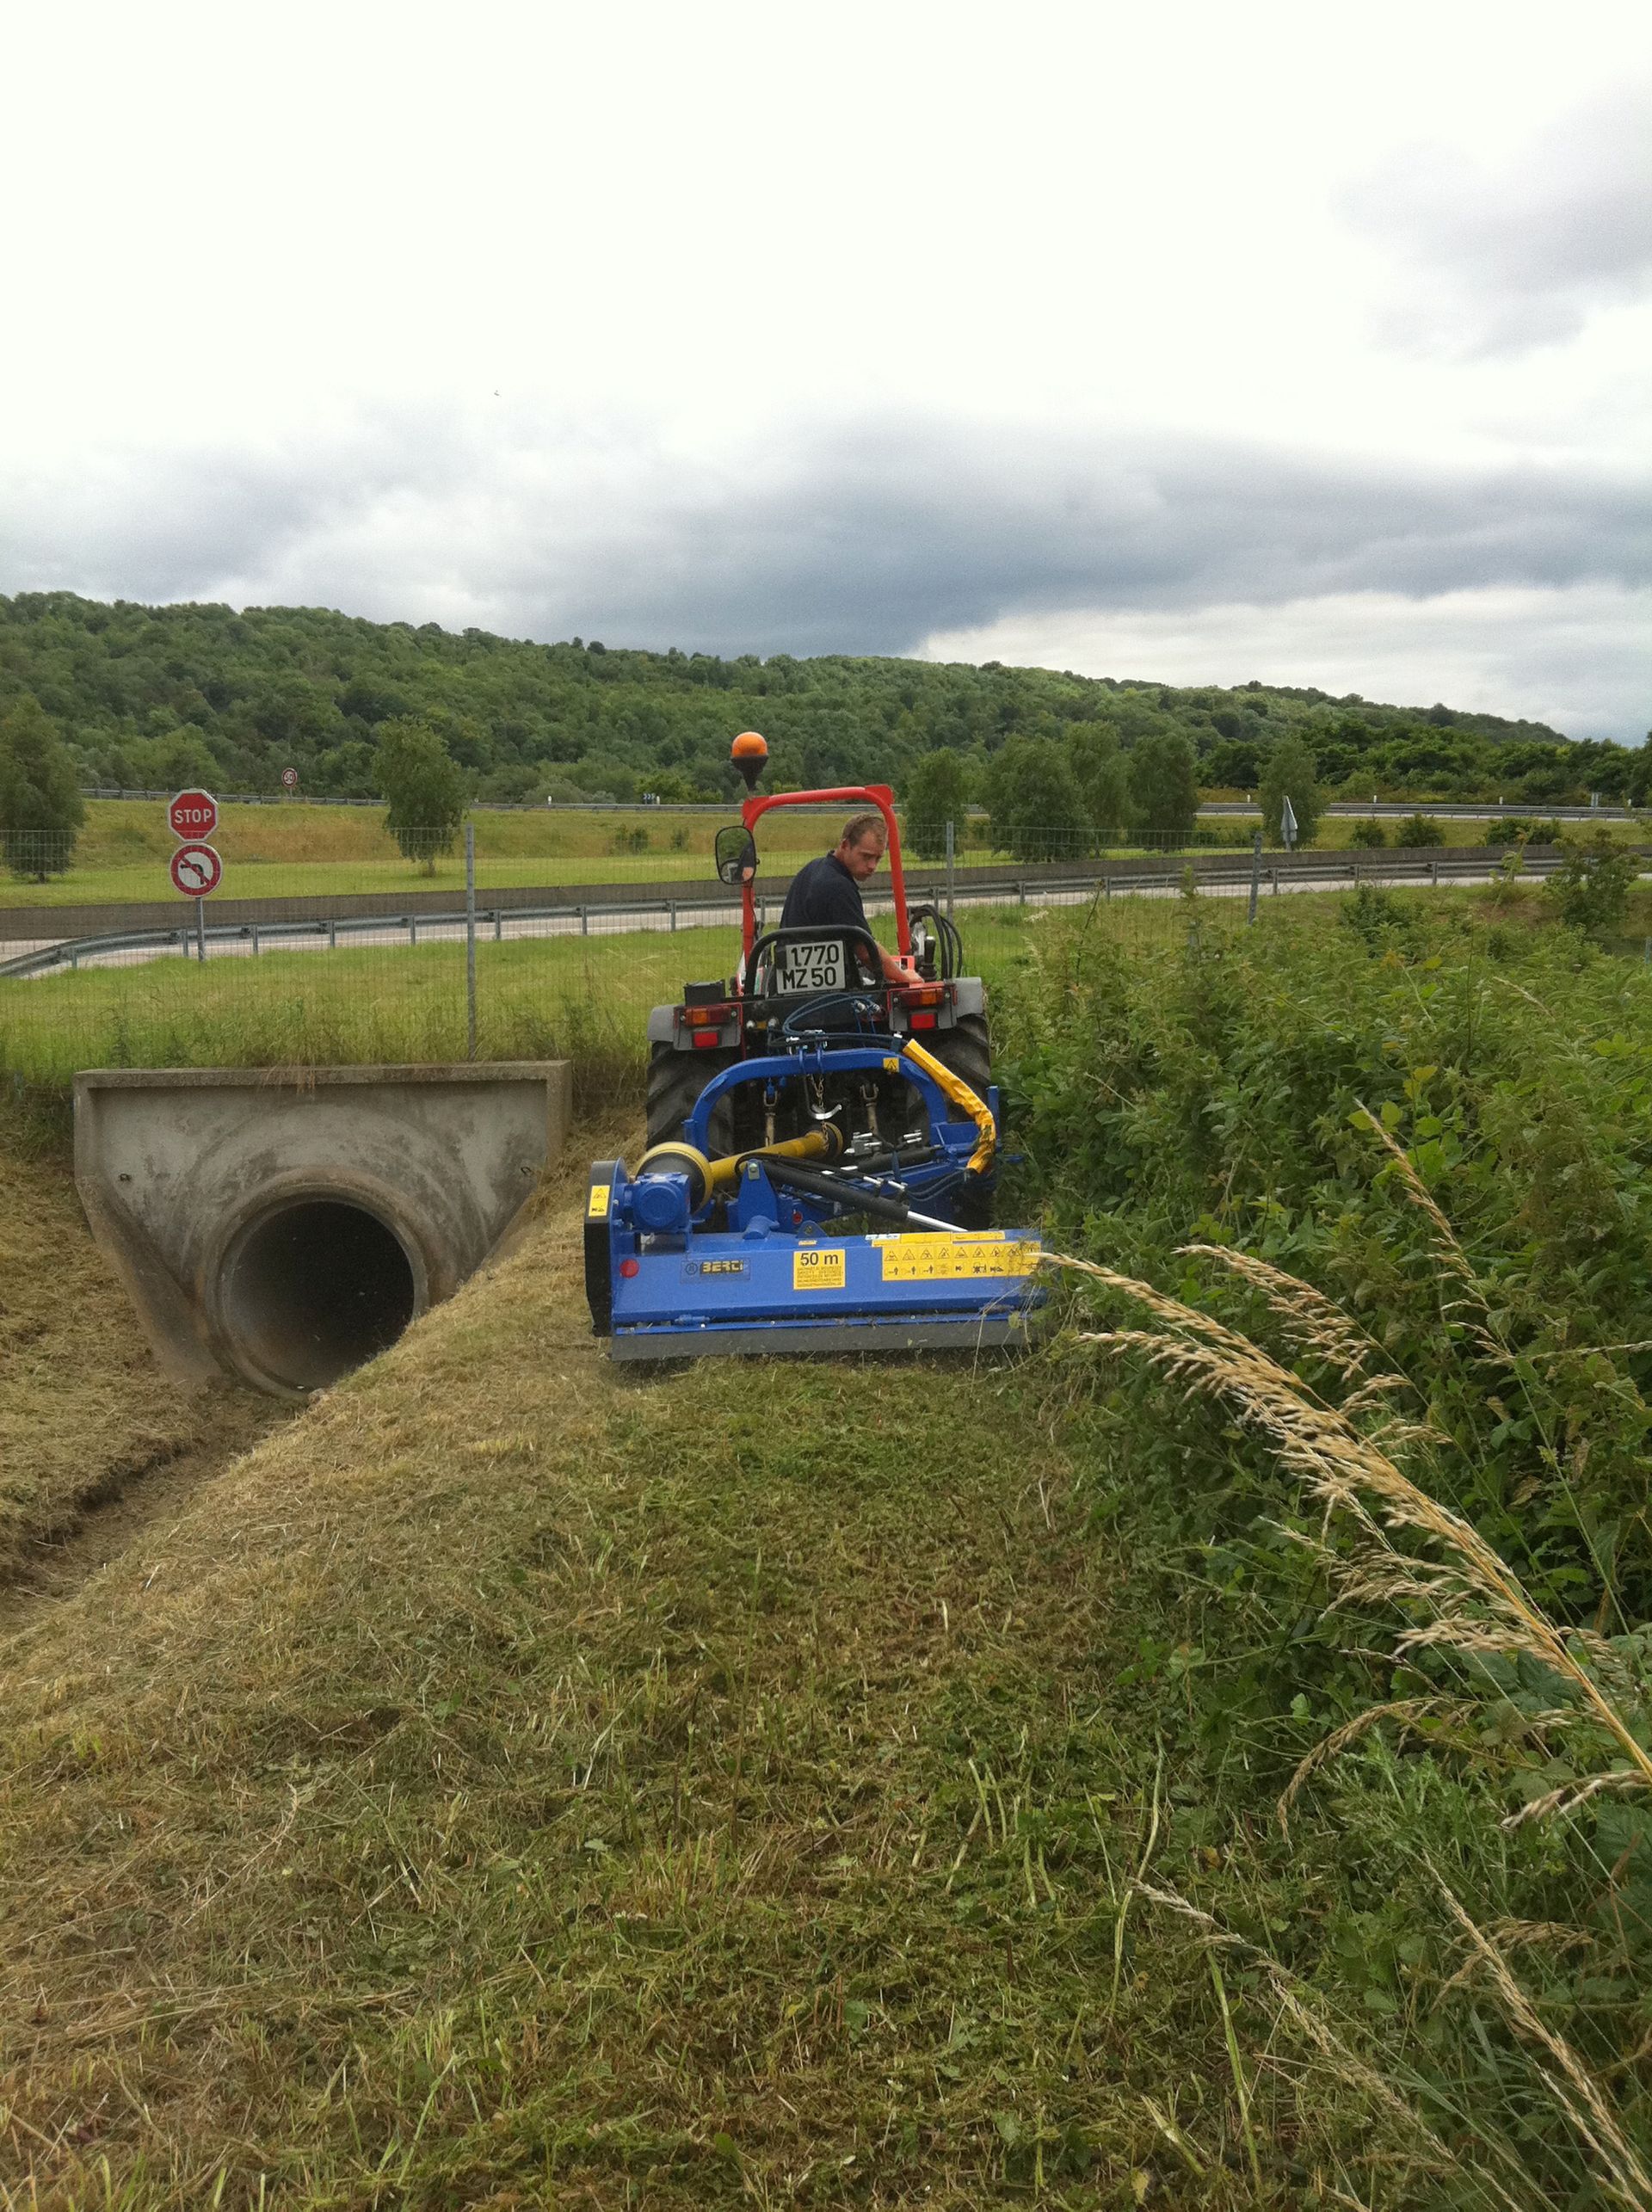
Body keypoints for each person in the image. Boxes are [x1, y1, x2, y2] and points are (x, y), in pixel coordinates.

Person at [779, 811, 915, 985]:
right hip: (825, 992)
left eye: (878, 858)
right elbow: (867, 952)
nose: (872, 866)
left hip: (790, 981)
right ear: (845, 845)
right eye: (866, 856)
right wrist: (905, 978)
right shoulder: (837, 886)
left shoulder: (813, 868)